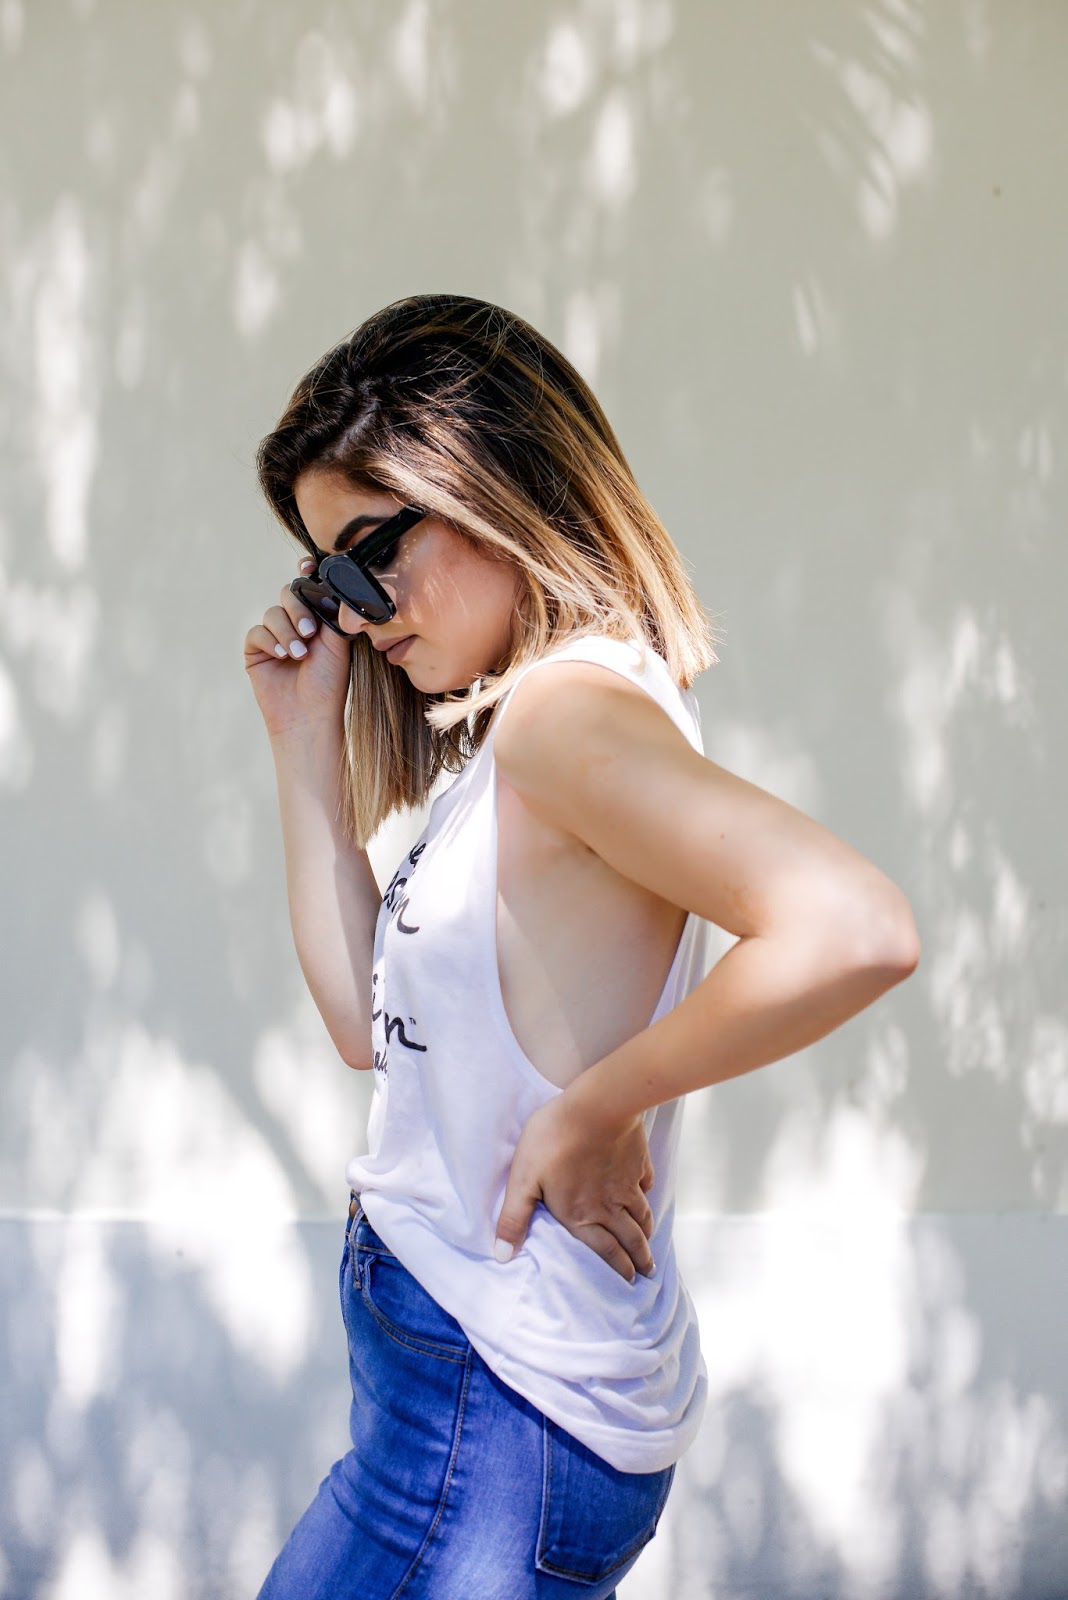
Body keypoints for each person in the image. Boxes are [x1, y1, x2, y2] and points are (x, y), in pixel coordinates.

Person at [243, 293, 920, 1599]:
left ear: (490, 480)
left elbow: (856, 926)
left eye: (369, 554)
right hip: (461, 1391)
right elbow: (363, 1031)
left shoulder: (564, 720)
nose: (357, 611)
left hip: (488, 1408)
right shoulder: (520, 730)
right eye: (328, 579)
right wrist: (301, 738)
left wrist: (597, 1108)